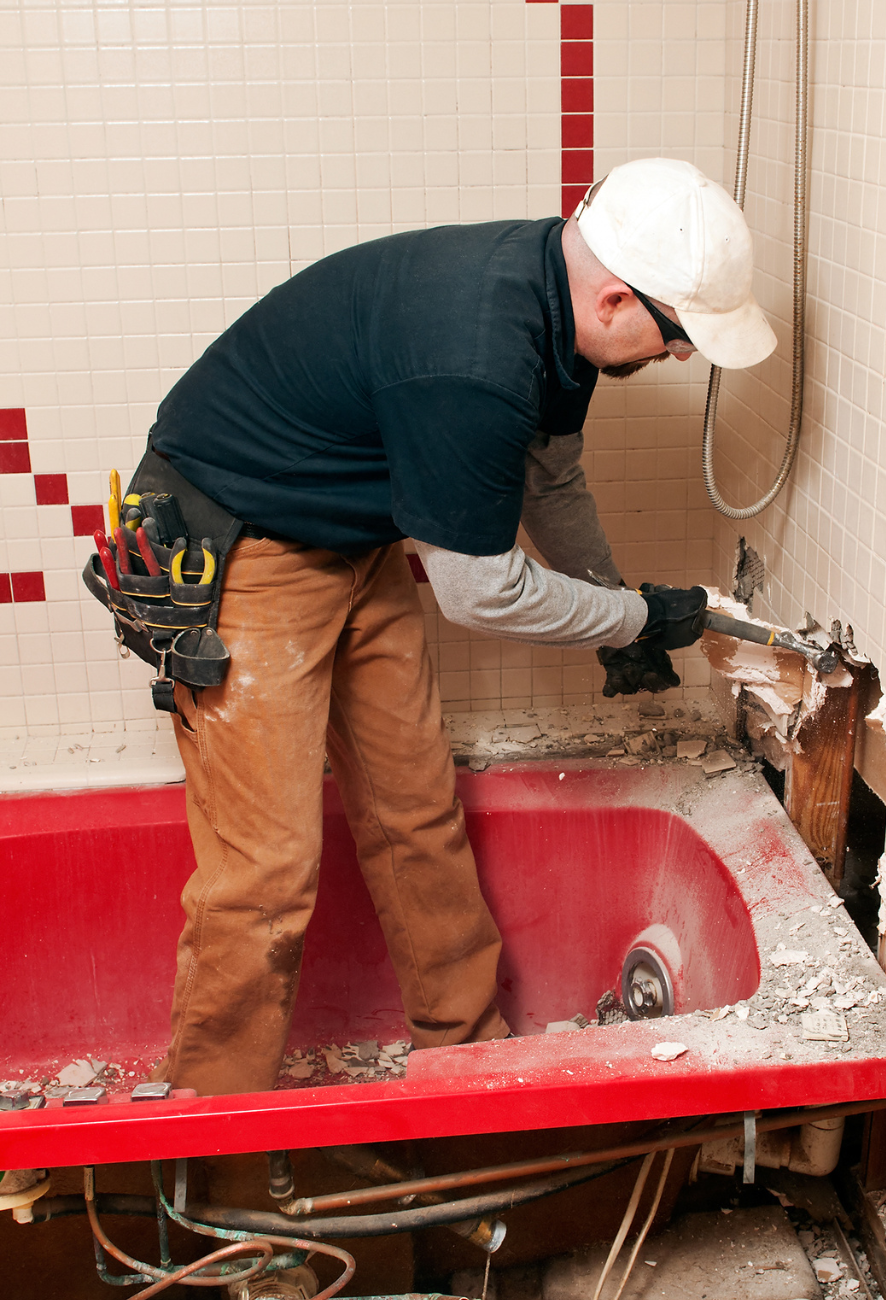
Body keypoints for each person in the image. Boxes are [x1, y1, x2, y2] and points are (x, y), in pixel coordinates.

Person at [143, 157, 777, 1097]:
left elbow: (550, 479)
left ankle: (467, 1069)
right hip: (241, 547)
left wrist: (613, 614)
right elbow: (481, 593)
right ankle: (212, 1150)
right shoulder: (476, 354)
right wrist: (640, 614)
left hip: (351, 541)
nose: (681, 356)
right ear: (614, 300)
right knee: (266, 874)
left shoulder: (558, 313)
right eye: (678, 334)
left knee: (416, 813)